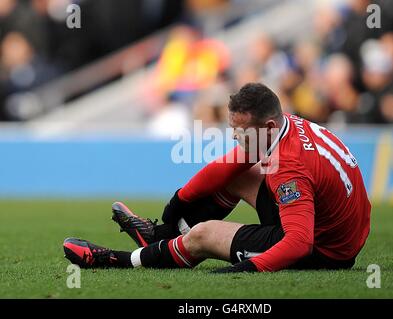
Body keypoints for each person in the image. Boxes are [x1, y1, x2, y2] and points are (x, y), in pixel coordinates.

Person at [63, 83, 371, 273]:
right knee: (239, 175)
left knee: (205, 235)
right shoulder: (281, 126)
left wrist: (246, 268)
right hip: (329, 225)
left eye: (241, 131)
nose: (235, 137)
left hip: (325, 251)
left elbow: (300, 243)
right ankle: (161, 238)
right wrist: (176, 203)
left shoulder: (289, 166)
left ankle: (120, 259)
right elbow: (226, 167)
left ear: (267, 126)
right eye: (232, 128)